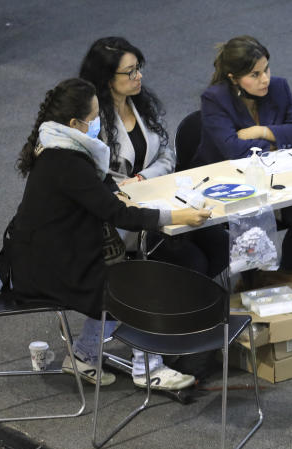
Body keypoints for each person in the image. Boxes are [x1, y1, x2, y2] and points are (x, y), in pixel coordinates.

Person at [6, 78, 210, 390]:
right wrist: (177, 215)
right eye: (95, 116)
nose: (99, 123)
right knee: (133, 285)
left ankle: (83, 355)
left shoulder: (58, 146)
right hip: (46, 268)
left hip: (43, 255)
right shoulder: (67, 162)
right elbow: (119, 215)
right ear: (75, 123)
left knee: (119, 277)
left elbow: (102, 193)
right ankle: (148, 368)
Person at [79, 36, 228, 278]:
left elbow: (167, 155)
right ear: (106, 78)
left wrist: (142, 178)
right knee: (193, 264)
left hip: (162, 197)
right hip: (126, 217)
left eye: (138, 68)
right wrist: (133, 189)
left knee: (222, 246)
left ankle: (182, 303)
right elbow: (95, 180)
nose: (139, 76)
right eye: (130, 72)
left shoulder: (142, 104)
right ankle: (175, 304)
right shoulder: (91, 121)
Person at [193, 35, 292, 271]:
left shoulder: (279, 87)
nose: (265, 79)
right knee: (252, 230)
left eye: (266, 70)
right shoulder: (215, 99)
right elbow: (233, 149)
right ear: (234, 79)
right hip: (226, 186)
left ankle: (285, 275)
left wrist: (263, 131)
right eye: (255, 75)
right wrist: (278, 141)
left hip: (275, 182)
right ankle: (253, 284)